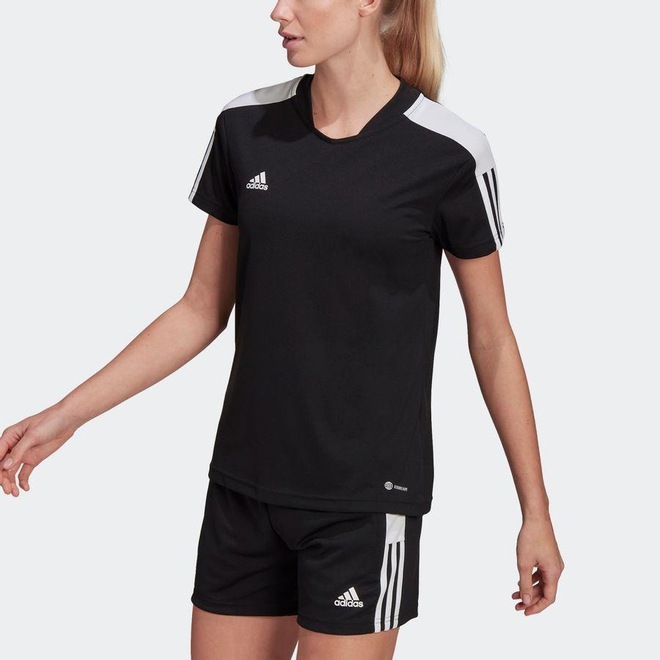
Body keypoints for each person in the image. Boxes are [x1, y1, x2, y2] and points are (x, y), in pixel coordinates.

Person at [1, 0, 565, 658]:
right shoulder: (246, 126)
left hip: (364, 504)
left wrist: (535, 512)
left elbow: (492, 338)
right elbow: (200, 308)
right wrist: (66, 415)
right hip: (244, 490)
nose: (278, 11)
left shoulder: (449, 152)